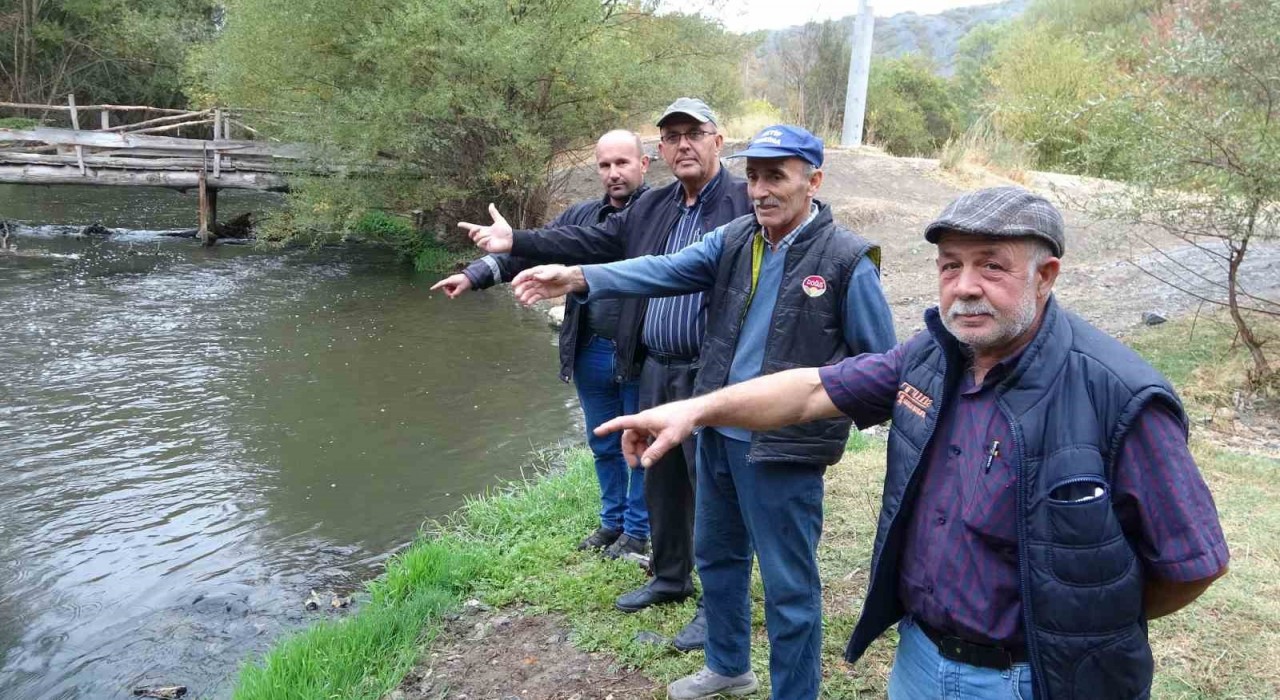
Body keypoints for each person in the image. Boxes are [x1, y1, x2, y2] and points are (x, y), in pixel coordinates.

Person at [595, 187, 1231, 700]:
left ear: (1047, 276)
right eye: (951, 265)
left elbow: (1192, 565)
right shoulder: (930, 357)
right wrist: (697, 410)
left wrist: (1079, 623)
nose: (965, 286)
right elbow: (811, 391)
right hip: (919, 662)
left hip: (1037, 677)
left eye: (992, 266)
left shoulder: (1118, 394)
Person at [510, 124, 897, 700]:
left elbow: (879, 368)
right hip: (714, 429)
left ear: (813, 180)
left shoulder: (845, 259)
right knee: (716, 556)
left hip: (783, 447)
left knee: (789, 586)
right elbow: (662, 269)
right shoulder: (739, 236)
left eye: (777, 177)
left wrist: (818, 412)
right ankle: (728, 666)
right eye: (755, 177)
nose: (762, 190)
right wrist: (580, 277)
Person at [458, 98, 753, 651]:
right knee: (661, 478)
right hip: (659, 367)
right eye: (673, 136)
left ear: (718, 140)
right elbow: (589, 239)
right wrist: (517, 243)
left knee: (716, 493)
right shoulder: (656, 206)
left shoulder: (744, 201)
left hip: (717, 373)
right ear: (660, 150)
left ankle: (719, 610)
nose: (684, 144)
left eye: (695, 133)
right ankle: (669, 578)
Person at [433, 130, 653, 559]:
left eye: (623, 163)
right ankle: (612, 523)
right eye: (605, 165)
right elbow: (534, 250)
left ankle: (639, 530)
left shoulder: (657, 216)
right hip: (589, 347)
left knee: (640, 442)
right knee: (602, 442)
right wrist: (475, 274)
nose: (613, 173)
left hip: (640, 352)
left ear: (644, 165)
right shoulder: (581, 214)